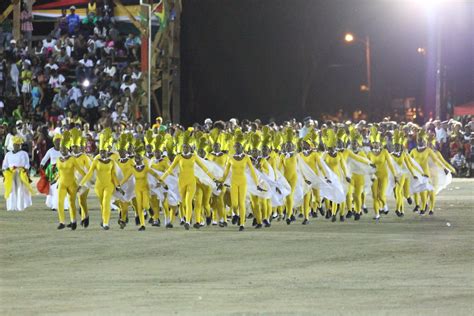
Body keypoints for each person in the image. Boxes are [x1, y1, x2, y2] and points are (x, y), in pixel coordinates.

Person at [2, 136, 34, 211]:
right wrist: (6, 171)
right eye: (15, 144)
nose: (16, 146)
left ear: (20, 145)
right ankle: (11, 207)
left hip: (20, 173)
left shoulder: (24, 153)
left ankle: (20, 207)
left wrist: (26, 170)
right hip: (10, 173)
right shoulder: (8, 154)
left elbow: (27, 164)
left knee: (20, 189)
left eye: (18, 144)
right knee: (11, 189)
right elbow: (4, 165)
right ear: (12, 145)